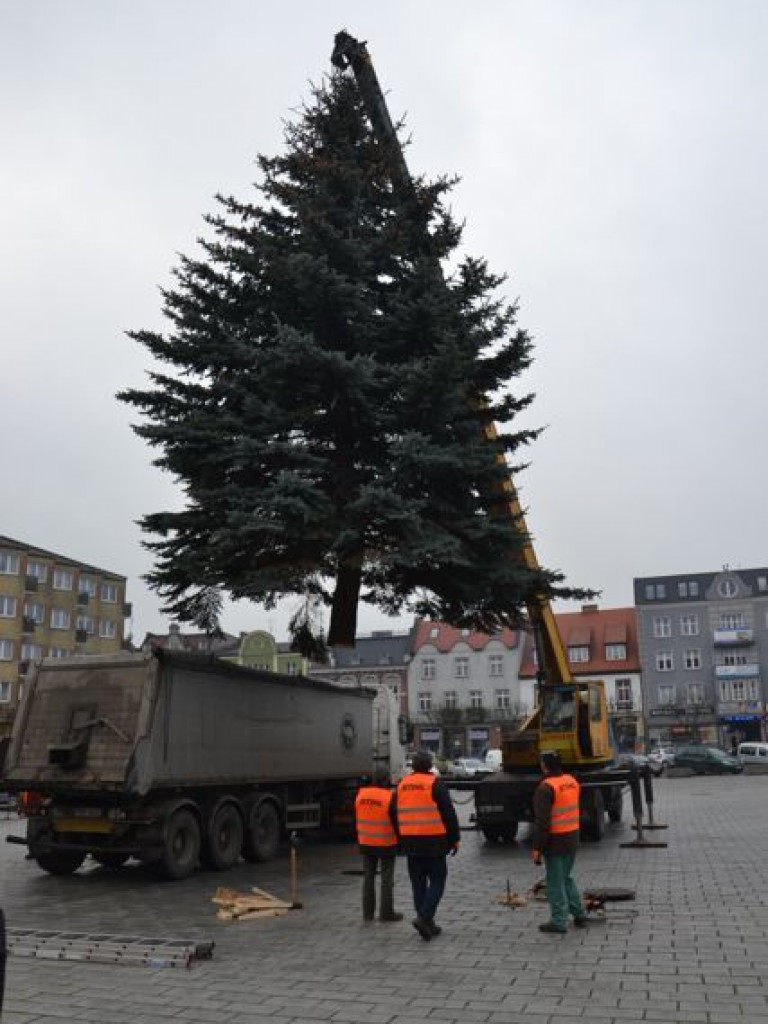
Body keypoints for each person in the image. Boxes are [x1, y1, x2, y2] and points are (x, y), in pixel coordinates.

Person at [394, 750, 460, 941]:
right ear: (430, 765)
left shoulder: (402, 785)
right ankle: (424, 918)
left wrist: (400, 839)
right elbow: (448, 813)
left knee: (418, 883)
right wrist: (454, 838)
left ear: (413, 766)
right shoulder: (435, 784)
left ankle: (428, 922)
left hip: (410, 842)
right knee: (438, 881)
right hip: (434, 841)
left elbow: (396, 813)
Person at [531, 750, 588, 934]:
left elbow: (543, 824)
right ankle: (579, 913)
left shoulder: (545, 788)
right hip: (572, 838)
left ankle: (559, 921)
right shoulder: (572, 781)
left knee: (555, 882)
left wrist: (537, 848)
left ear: (544, 766)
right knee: (566, 877)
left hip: (555, 842)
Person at [354, 767, 403, 923]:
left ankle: (367, 914)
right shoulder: (389, 797)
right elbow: (397, 822)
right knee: (386, 879)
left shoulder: (361, 795)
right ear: (385, 780)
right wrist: (401, 841)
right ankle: (386, 913)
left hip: (366, 842)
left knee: (368, 877)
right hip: (386, 843)